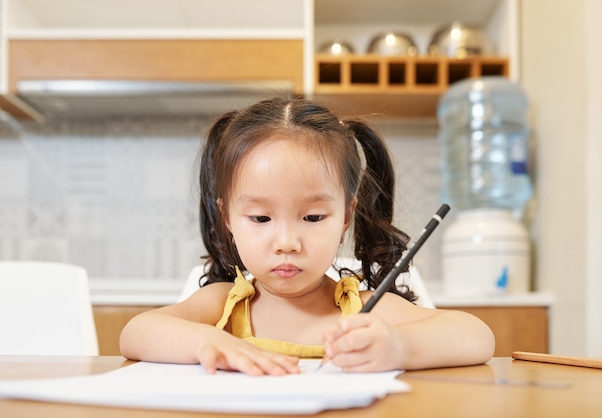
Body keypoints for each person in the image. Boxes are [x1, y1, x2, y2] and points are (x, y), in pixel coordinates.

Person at [119, 96, 495, 376]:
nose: (287, 242)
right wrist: (207, 342)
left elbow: (477, 336)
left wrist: (399, 347)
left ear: (346, 215)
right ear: (228, 217)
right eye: (261, 217)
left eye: (313, 216)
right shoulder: (224, 305)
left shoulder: (358, 310)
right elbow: (135, 333)